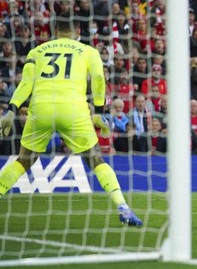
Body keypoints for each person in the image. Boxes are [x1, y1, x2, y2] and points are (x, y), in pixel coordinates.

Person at [0, 16, 142, 226]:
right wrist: (99, 112)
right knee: (96, 160)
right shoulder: (88, 51)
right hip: (73, 109)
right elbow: (99, 78)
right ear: (77, 30)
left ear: (55, 30)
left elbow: (26, 83)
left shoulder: (37, 51)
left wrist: (11, 110)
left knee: (24, 160)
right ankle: (123, 207)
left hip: (41, 108)